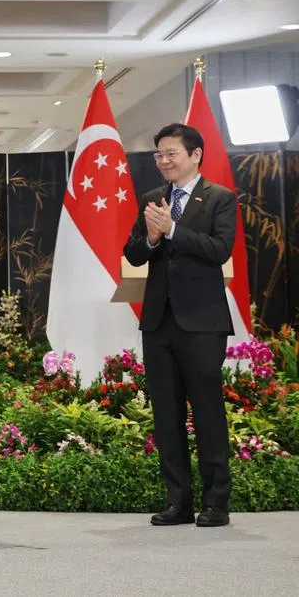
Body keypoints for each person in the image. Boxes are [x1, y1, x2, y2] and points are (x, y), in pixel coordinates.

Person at [123, 122, 236, 528]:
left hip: (202, 323)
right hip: (159, 322)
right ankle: (178, 501)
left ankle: (216, 502)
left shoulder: (220, 198)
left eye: (171, 153)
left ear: (195, 155)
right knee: (166, 414)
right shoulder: (153, 199)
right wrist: (152, 238)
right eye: (159, 154)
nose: (163, 161)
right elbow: (133, 253)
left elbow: (220, 250)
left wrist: (173, 230)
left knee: (207, 411)